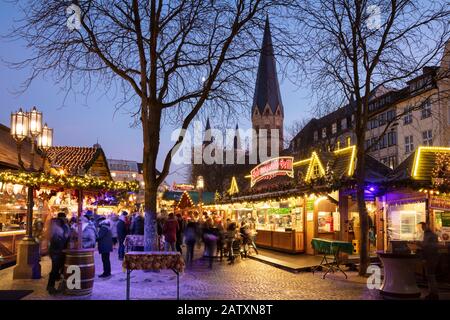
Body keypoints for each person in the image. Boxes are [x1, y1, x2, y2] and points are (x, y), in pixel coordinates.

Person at [47, 212, 70, 294]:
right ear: (63, 217)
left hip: (55, 250)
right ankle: (51, 286)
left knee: (56, 268)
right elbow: (62, 237)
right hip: (58, 250)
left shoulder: (55, 224)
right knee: (55, 269)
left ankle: (52, 285)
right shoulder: (60, 225)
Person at [417, 222, 440, 300]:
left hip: (431, 258)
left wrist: (419, 244)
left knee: (431, 276)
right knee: (430, 276)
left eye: (422, 227)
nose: (422, 228)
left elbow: (428, 246)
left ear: (426, 226)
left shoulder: (430, 235)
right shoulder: (431, 235)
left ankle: (434, 293)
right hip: (431, 257)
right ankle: (432, 293)